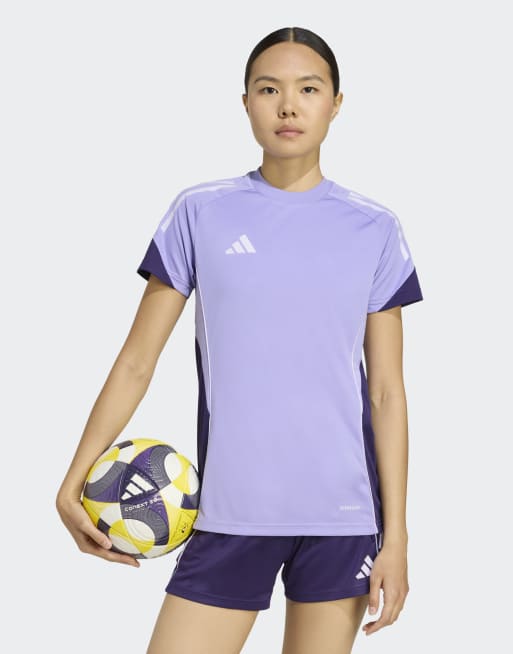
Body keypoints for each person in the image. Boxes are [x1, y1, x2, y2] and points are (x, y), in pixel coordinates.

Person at [56, 26, 424, 654]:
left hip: (342, 519)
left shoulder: (375, 228)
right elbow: (137, 361)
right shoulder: (199, 212)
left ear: (336, 103)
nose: (289, 106)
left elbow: (387, 393)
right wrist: (74, 478)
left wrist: (397, 537)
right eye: (269, 89)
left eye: (309, 89)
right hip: (229, 512)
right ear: (246, 101)